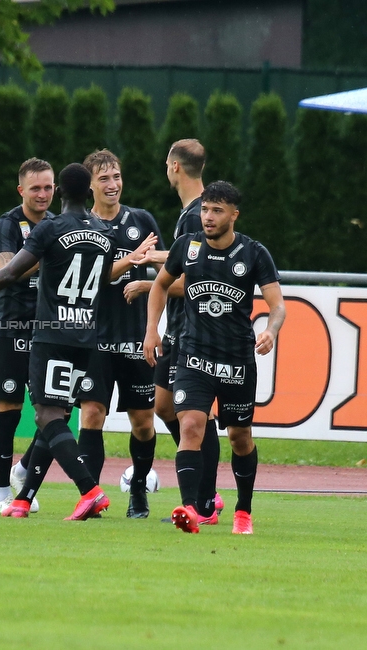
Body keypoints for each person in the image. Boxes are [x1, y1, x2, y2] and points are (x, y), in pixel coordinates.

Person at [0, 163, 153, 520]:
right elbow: (99, 281)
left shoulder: (50, 229)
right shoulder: (105, 232)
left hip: (51, 334)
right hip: (87, 338)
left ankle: (90, 489)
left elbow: (9, 272)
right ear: (88, 193)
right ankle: (23, 498)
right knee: (53, 417)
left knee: (47, 414)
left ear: (59, 192)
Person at [144, 181, 285, 535]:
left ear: (233, 215)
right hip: (193, 355)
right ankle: (192, 510)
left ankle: (243, 512)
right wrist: (151, 329)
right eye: (205, 209)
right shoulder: (186, 247)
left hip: (237, 360)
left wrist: (271, 330)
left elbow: (277, 305)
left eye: (217, 211)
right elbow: (161, 284)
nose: (208, 217)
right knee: (190, 425)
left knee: (240, 436)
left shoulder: (254, 253)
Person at [127, 139, 225, 525]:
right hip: (178, 329)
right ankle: (202, 489)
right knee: (165, 407)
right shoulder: (192, 212)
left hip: (195, 332)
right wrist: (155, 267)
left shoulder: (197, 215)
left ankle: (207, 498)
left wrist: (153, 284)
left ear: (174, 168)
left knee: (193, 417)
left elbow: (197, 279)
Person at [74, 149, 163, 519]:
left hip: (135, 338)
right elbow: (92, 276)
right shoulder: (80, 226)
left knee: (143, 422)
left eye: (116, 177)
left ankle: (138, 490)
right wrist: (133, 259)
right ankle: (91, 496)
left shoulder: (141, 220)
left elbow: (167, 266)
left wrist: (155, 263)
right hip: (93, 339)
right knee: (91, 414)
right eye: (104, 179)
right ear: (90, 184)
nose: (112, 185)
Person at [0, 158, 55, 513]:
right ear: (21, 191)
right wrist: (47, 253)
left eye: (48, 187)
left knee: (55, 412)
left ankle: (24, 469)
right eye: (35, 188)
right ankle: (2, 492)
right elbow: (5, 269)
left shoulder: (60, 224)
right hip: (11, 325)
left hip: (52, 327)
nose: (42, 194)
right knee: (9, 412)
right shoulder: (9, 224)